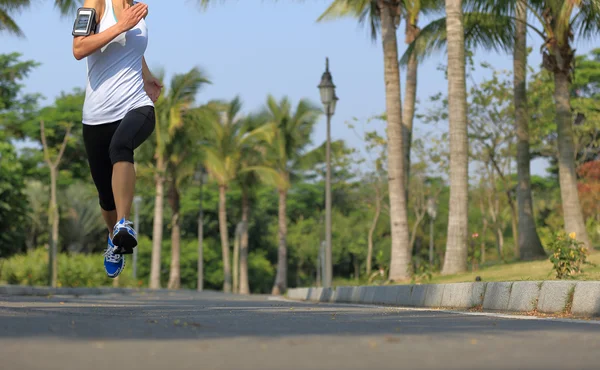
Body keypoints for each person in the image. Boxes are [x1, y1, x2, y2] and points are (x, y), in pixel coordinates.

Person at [73, 0, 162, 278]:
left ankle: (124, 224)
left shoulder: (137, 9)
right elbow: (79, 49)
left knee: (121, 146)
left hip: (136, 105)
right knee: (105, 196)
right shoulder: (95, 4)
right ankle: (114, 237)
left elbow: (132, 49)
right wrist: (121, 25)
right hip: (97, 115)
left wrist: (147, 77)